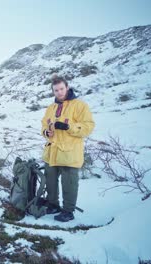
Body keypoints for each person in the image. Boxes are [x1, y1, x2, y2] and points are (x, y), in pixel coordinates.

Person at [40, 75, 95, 222]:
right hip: (52, 152)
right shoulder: (50, 108)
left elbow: (88, 127)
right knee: (50, 180)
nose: (59, 92)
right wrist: (47, 132)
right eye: (56, 90)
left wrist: (69, 127)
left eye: (61, 89)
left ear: (67, 87)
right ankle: (53, 205)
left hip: (70, 153)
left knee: (69, 184)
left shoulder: (79, 105)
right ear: (53, 91)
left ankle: (68, 211)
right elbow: (44, 125)